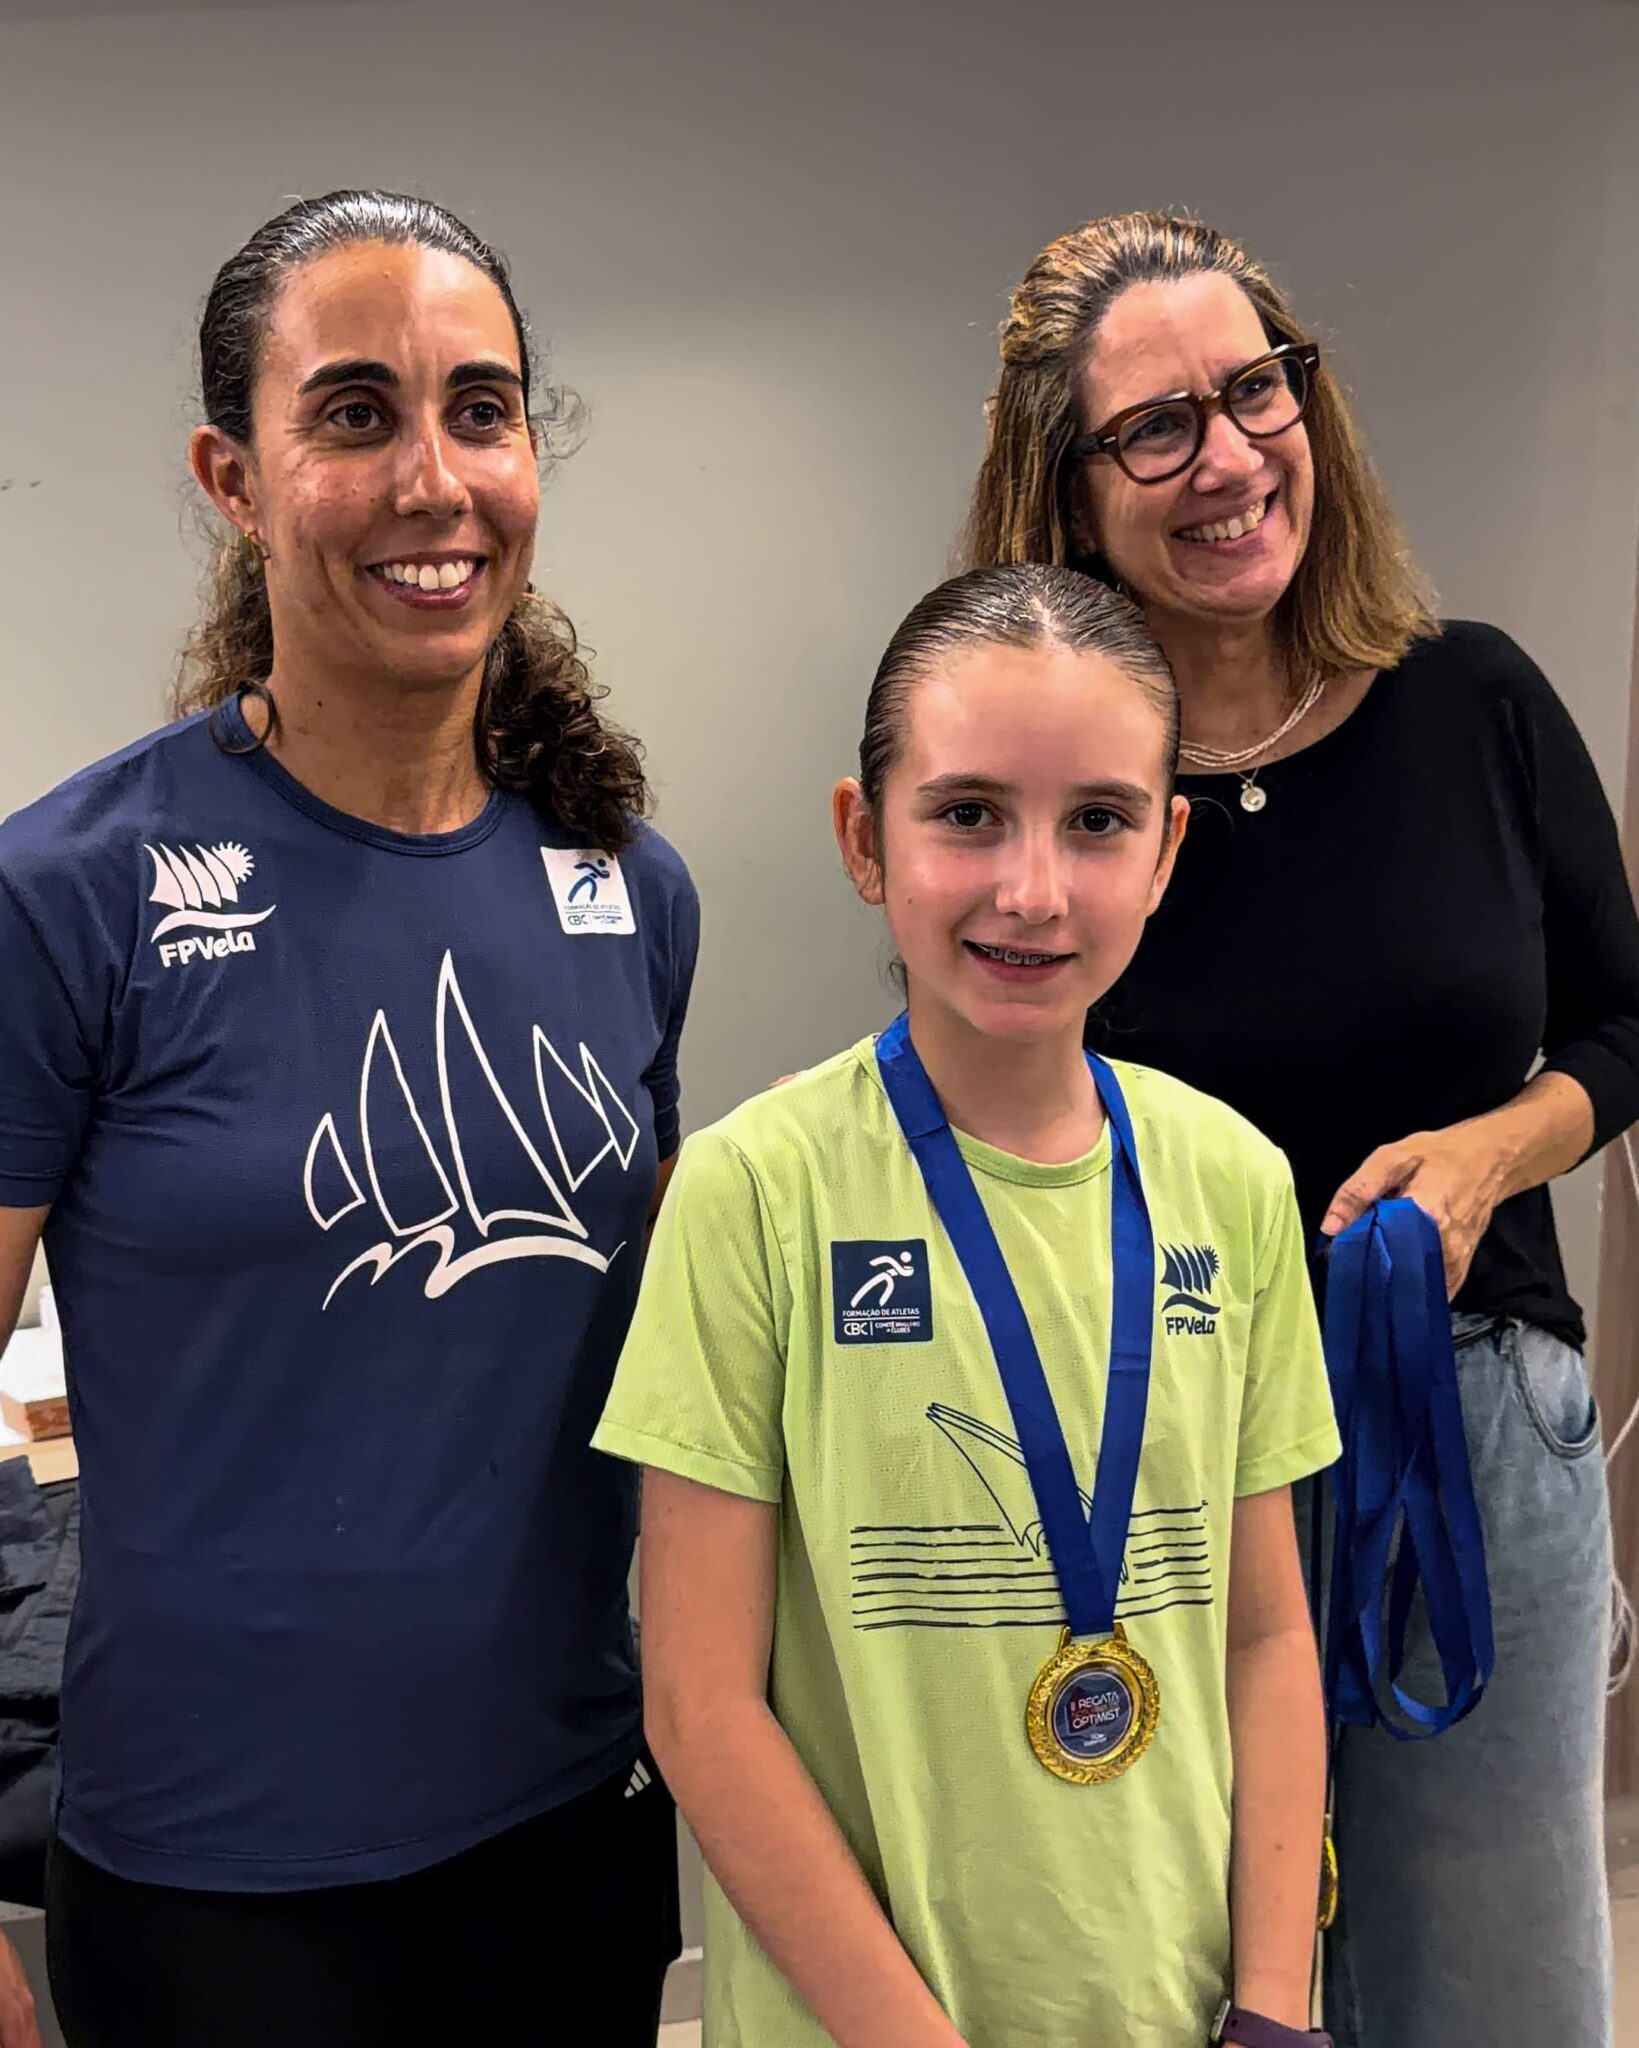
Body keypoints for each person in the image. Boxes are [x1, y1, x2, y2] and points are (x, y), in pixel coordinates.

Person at [0, 190, 696, 2048]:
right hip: (214, 1887)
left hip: (564, 1837)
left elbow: (665, 1365)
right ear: (234, 479)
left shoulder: (632, 894)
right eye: (357, 414)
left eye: (482, 410)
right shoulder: (70, 894)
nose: (433, 479)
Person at [962, 210, 1639, 2048]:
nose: (1228, 457)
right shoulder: (1057, 787)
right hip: (1151, 1442)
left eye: (1253, 390)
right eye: (1153, 428)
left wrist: (1498, 1148)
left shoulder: (1474, 699)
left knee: (1490, 1989)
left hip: (1465, 1422)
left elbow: (1625, 1021)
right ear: (1066, 489)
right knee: (1169, 1975)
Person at [595, 563, 1342, 2047]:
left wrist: (1274, 2005)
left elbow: (1264, 1636)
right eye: (968, 814)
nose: (1033, 890)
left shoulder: (1234, 1182)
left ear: (1168, 850)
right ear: (863, 839)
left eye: (1099, 821)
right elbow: (699, 1705)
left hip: (1179, 2005)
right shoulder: (755, 1193)